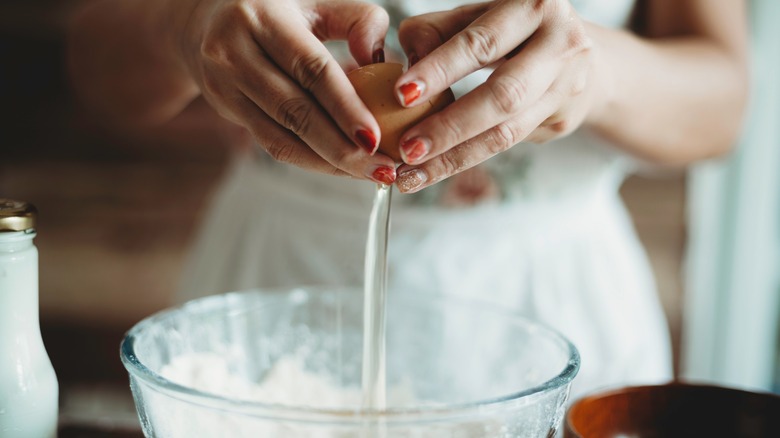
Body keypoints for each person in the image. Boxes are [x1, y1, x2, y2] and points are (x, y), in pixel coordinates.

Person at [68, 0, 748, 398]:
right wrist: (182, 25)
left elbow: (726, 103)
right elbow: (95, 71)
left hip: (550, 295)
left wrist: (598, 69)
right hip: (275, 285)